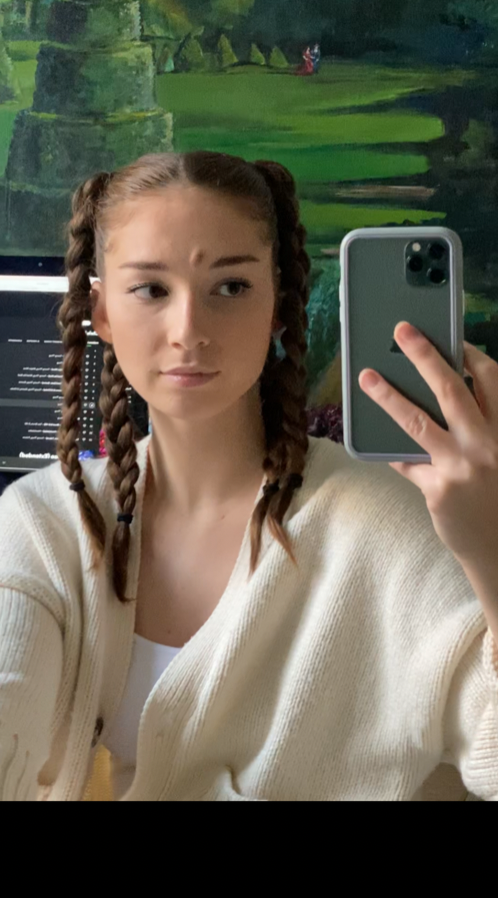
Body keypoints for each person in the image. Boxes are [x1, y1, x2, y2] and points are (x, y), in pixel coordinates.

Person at [1, 149, 498, 802]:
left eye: (231, 287)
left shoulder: (390, 525)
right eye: (151, 289)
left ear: (278, 306)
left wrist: (492, 551)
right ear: (102, 312)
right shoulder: (41, 524)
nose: (188, 330)